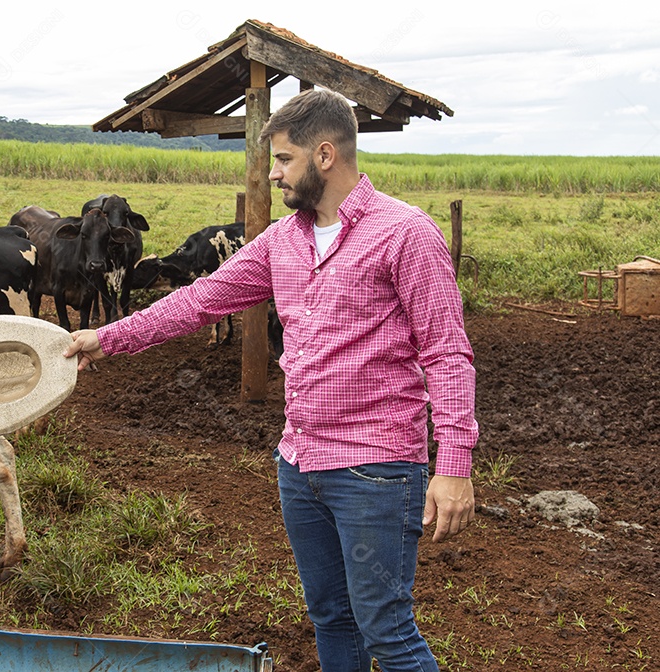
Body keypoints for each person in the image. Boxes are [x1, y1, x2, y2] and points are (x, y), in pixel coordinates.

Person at [64, 89, 478, 672]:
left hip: (377, 470)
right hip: (300, 465)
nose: (274, 174)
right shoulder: (283, 241)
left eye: (284, 160)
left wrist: (454, 465)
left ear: (326, 155)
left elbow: (447, 353)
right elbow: (201, 300)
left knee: (386, 629)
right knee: (331, 617)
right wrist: (106, 338)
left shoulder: (405, 234)